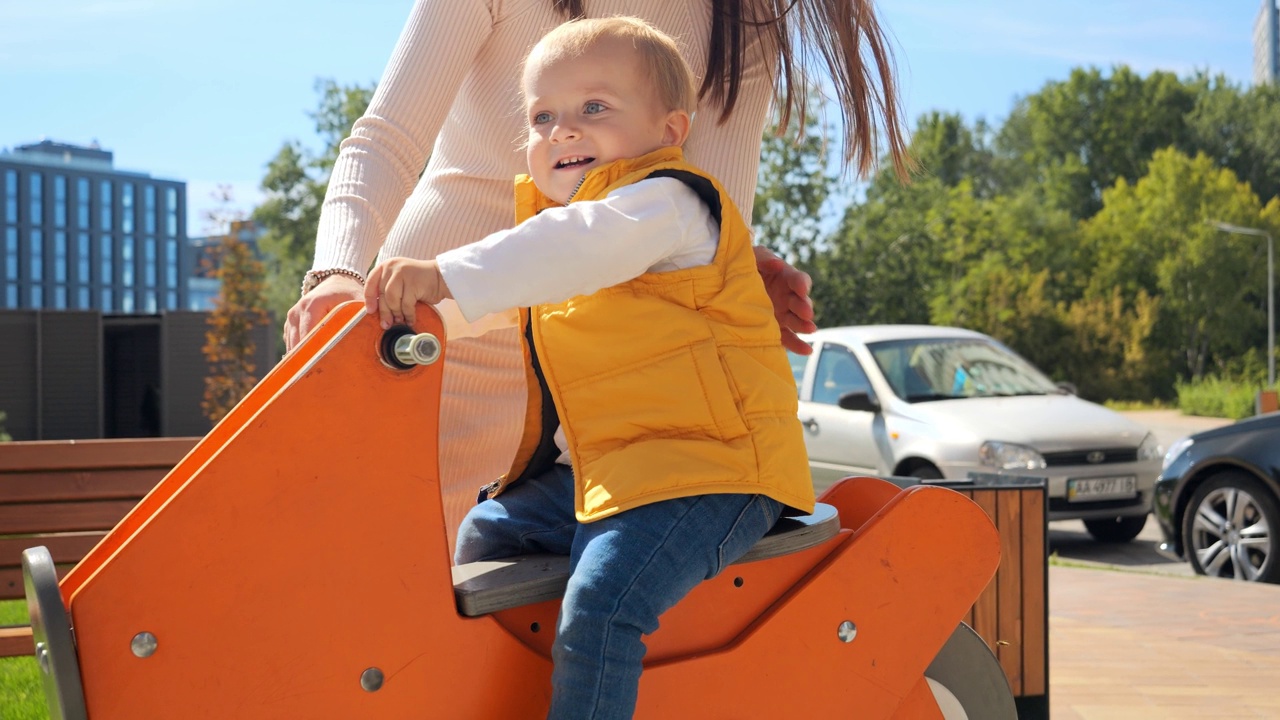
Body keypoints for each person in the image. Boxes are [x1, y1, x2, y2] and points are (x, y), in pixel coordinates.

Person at [285, 0, 909, 551]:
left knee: (521, 646)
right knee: (361, 596)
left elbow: (694, 196)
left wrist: (735, 269)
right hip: (425, 335)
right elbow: (386, 137)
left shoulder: (740, 16)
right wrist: (335, 274)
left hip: (591, 387)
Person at [364, 18, 815, 718]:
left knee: (603, 604)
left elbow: (572, 246)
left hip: (711, 473)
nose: (563, 132)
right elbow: (502, 299)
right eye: (542, 117)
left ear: (670, 129)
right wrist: (402, 331)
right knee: (486, 532)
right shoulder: (577, 237)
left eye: (593, 109)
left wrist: (442, 274)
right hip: (612, 472)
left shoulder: (665, 201)